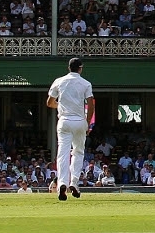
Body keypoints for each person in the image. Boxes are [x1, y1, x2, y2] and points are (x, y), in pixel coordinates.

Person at [46, 57, 94, 201]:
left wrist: (60, 106)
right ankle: (74, 182)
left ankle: (62, 183)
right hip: (79, 120)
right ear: (80, 68)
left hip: (64, 120)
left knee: (62, 153)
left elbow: (49, 103)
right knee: (78, 152)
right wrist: (87, 122)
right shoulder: (85, 83)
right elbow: (91, 104)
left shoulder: (59, 81)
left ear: (69, 68)